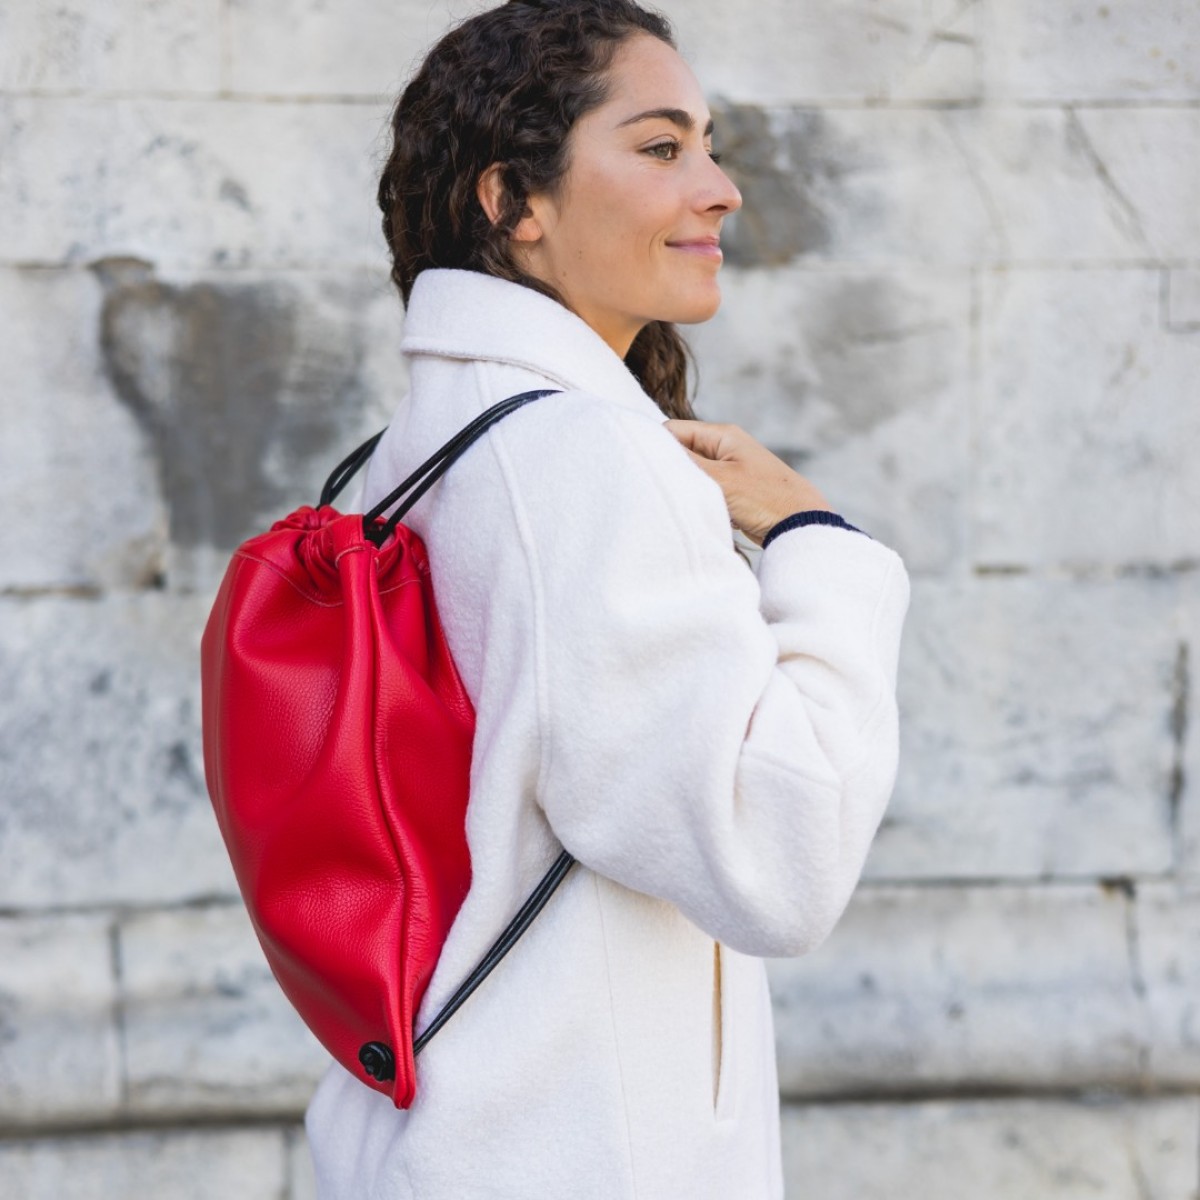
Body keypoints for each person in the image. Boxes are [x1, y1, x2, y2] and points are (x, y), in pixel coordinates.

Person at [304, 1, 911, 1196]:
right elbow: (778, 858)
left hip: (447, 1128)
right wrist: (815, 540)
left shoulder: (413, 452)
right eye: (659, 146)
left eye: (709, 142)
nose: (722, 186)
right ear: (512, 203)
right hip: (571, 1153)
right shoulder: (583, 459)